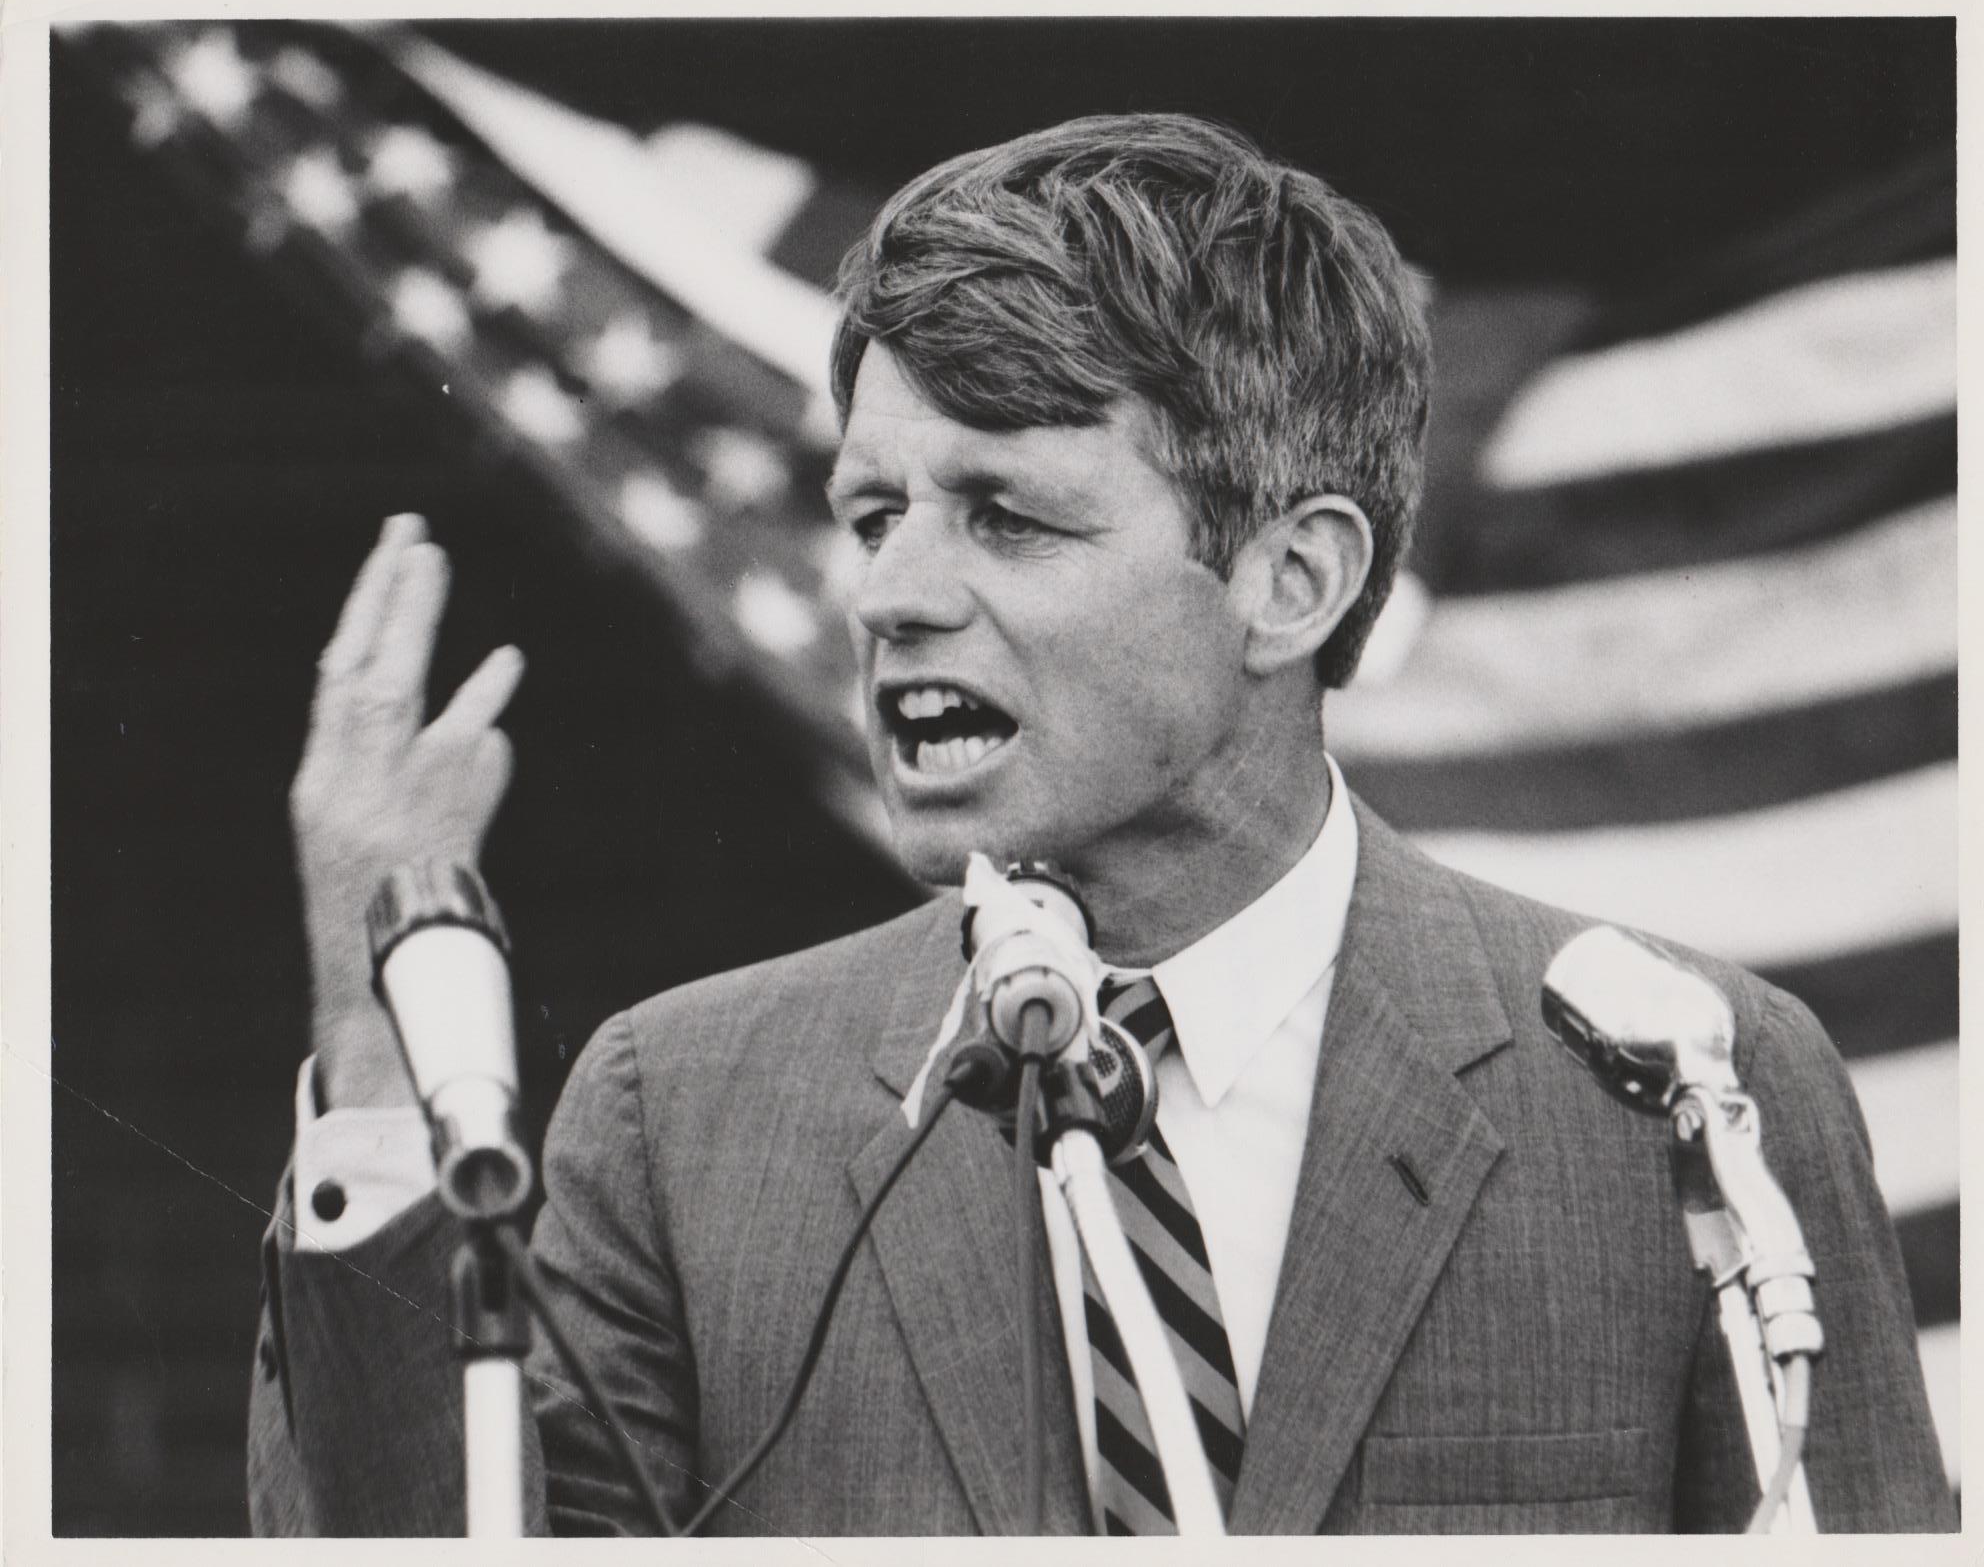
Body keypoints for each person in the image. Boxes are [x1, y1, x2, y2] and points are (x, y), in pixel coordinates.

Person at [248, 113, 1953, 1535]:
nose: (890, 596)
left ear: (1292, 581)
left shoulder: (1673, 1085)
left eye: (1006, 514)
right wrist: (377, 1037)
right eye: (871, 513)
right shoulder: (685, 1116)